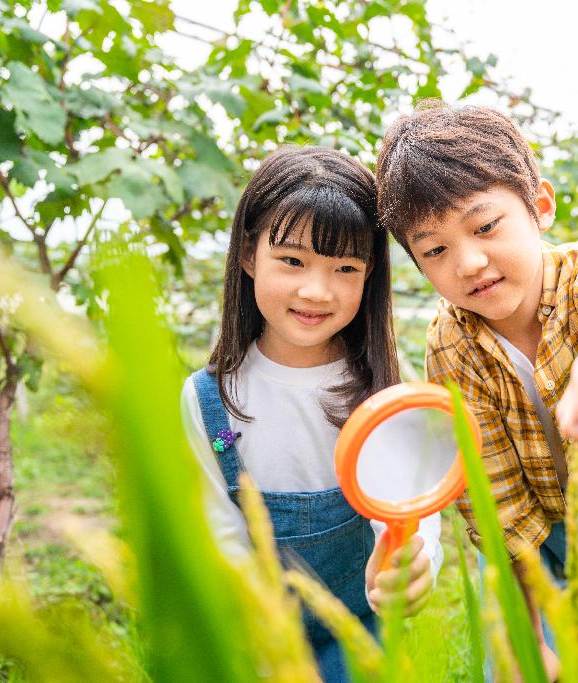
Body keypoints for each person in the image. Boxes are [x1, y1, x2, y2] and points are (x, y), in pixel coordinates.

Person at [376, 102, 578, 682]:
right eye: (434, 249)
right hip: (529, 528)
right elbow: (495, 501)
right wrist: (527, 632)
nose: (470, 262)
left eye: (485, 226)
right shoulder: (451, 347)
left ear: (539, 205)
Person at [180, 146, 441, 680]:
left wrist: (417, 564)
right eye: (292, 260)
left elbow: (413, 509)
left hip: (361, 641)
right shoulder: (209, 400)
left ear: (370, 277)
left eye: (345, 267)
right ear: (249, 255)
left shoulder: (385, 393)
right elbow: (218, 535)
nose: (316, 291)